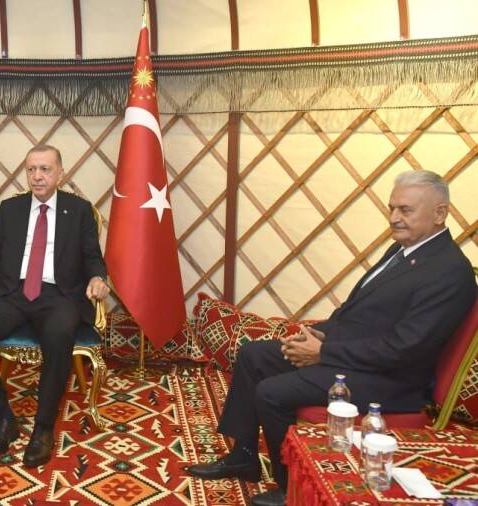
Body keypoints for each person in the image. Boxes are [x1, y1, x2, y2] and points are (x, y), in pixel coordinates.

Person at [186, 170, 476, 506]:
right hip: (356, 356)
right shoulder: (403, 250)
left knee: (272, 392)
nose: (394, 218)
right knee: (254, 355)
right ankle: (244, 456)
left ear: (440, 213)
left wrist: (324, 352)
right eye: (391, 208)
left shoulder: (449, 271)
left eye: (405, 210)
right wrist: (319, 334)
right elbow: (358, 313)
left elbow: (404, 348)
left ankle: (291, 487)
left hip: (391, 380)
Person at [0, 144, 110, 468]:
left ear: (60, 174)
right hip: (12, 292)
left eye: (45, 169)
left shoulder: (79, 210)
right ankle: (4, 417)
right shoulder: (10, 209)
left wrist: (98, 278)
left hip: (59, 295)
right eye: (31, 170)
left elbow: (92, 258)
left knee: (59, 334)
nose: (37, 176)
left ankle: (43, 428)